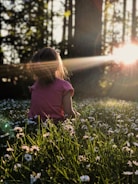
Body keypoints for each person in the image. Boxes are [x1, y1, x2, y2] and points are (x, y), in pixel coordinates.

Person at [28, 47, 78, 123]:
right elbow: (68, 113)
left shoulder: (35, 86)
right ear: (57, 65)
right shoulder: (64, 86)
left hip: (34, 124)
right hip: (55, 125)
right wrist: (77, 116)